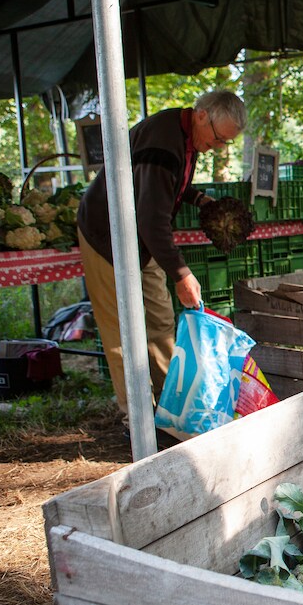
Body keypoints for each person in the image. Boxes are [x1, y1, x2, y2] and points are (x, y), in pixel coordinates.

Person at [77, 90, 246, 421]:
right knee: (123, 329)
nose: (219, 147)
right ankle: (137, 417)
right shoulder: (163, 141)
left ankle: (172, 407)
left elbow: (163, 187)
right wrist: (182, 273)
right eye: (218, 139)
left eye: (225, 143)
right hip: (107, 235)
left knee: (160, 320)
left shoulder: (186, 136)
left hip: (141, 239)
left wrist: (198, 199)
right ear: (201, 116)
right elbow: (152, 218)